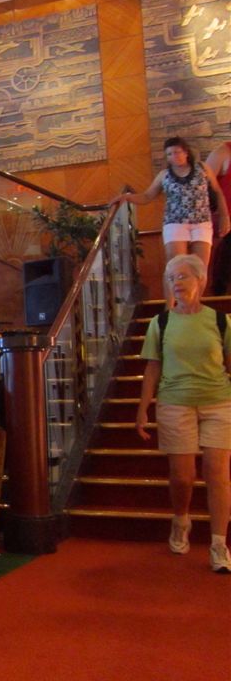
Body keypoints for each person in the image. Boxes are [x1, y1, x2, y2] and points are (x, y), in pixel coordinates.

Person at [136, 254, 230, 574]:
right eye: (171, 278)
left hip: (218, 403)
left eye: (182, 276)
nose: (176, 283)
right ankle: (181, 520)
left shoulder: (221, 321)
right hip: (175, 403)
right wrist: (142, 409)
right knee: (182, 476)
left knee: (218, 473)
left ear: (200, 280)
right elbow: (152, 368)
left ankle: (219, 543)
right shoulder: (160, 323)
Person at [112, 136, 228, 274]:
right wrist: (126, 197)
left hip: (202, 222)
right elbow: (147, 196)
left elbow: (217, 191)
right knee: (175, 266)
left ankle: (196, 289)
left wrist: (224, 216)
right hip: (175, 222)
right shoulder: (164, 175)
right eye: (169, 154)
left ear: (186, 152)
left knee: (200, 268)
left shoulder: (203, 168)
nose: (174, 156)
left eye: (177, 152)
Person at [205, 138, 231, 294]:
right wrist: (221, 215)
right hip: (226, 223)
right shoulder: (222, 153)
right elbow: (203, 186)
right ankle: (219, 295)